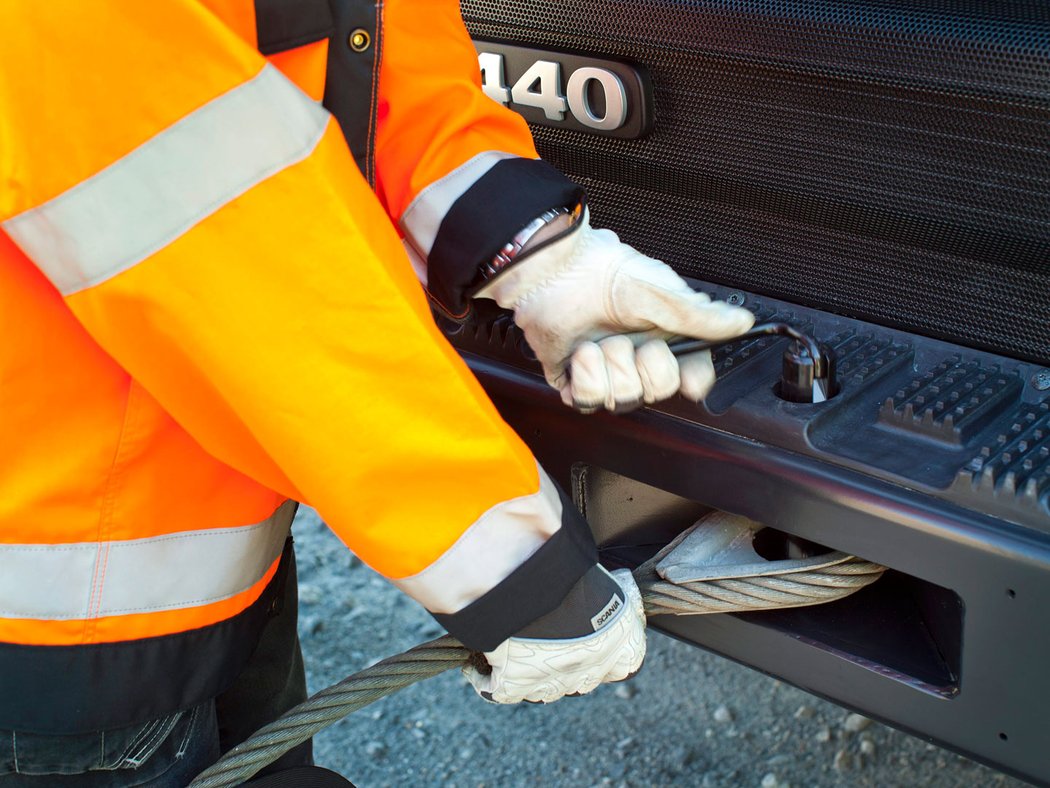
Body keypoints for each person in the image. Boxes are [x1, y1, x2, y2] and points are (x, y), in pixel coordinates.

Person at [0, 1, 754, 785]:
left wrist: (529, 248)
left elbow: (366, 34)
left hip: (196, 527)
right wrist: (512, 570)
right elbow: (222, 240)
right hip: (51, 610)